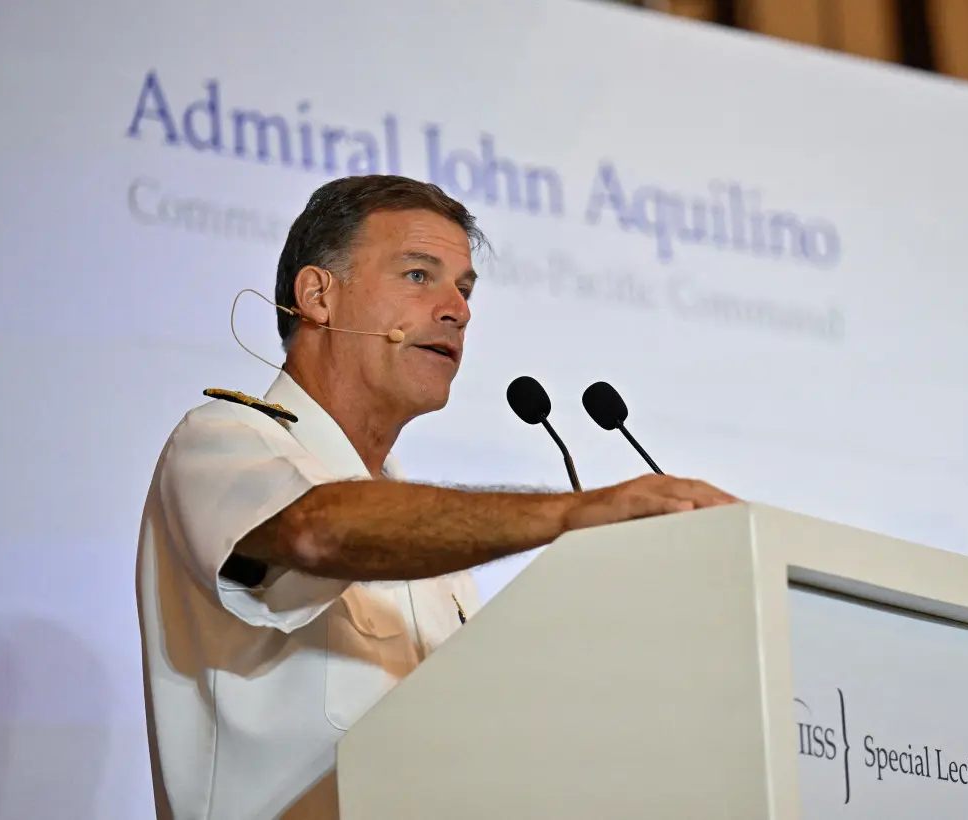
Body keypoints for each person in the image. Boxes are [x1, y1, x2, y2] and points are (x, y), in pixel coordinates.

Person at [135, 174, 738, 820]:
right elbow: (319, 531)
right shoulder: (221, 441)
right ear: (318, 296)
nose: (459, 309)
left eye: (465, 287)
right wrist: (575, 513)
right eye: (419, 276)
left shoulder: (425, 543)